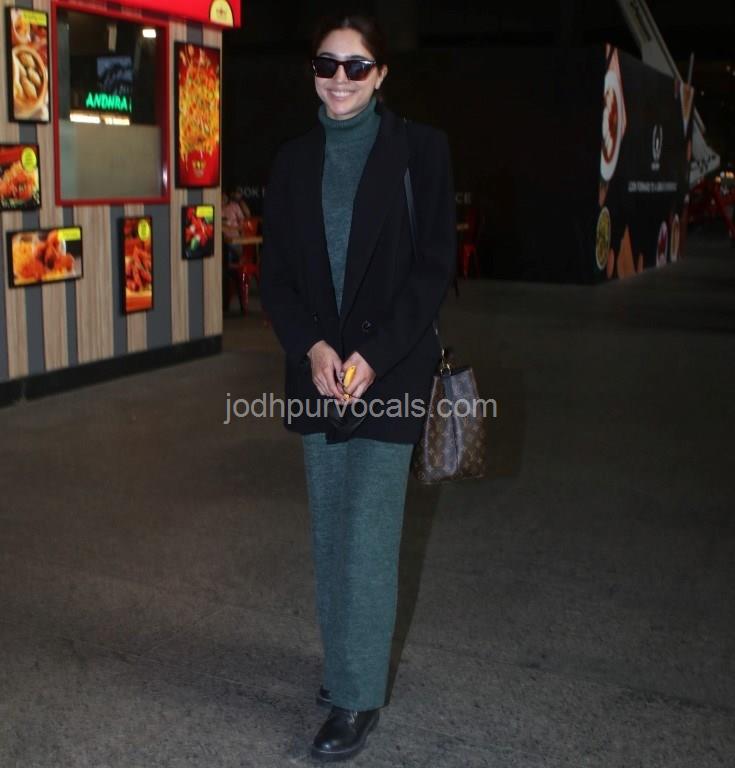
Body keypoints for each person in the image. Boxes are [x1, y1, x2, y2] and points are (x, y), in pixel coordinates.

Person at [260, 13, 455, 763]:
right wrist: (312, 349)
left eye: (355, 66)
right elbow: (276, 277)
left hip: (390, 371)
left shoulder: (420, 151)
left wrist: (370, 356)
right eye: (326, 64)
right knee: (330, 532)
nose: (339, 80)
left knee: (368, 538)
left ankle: (356, 696)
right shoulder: (292, 160)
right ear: (312, 71)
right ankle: (346, 663)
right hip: (318, 373)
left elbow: (433, 267)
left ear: (380, 75)